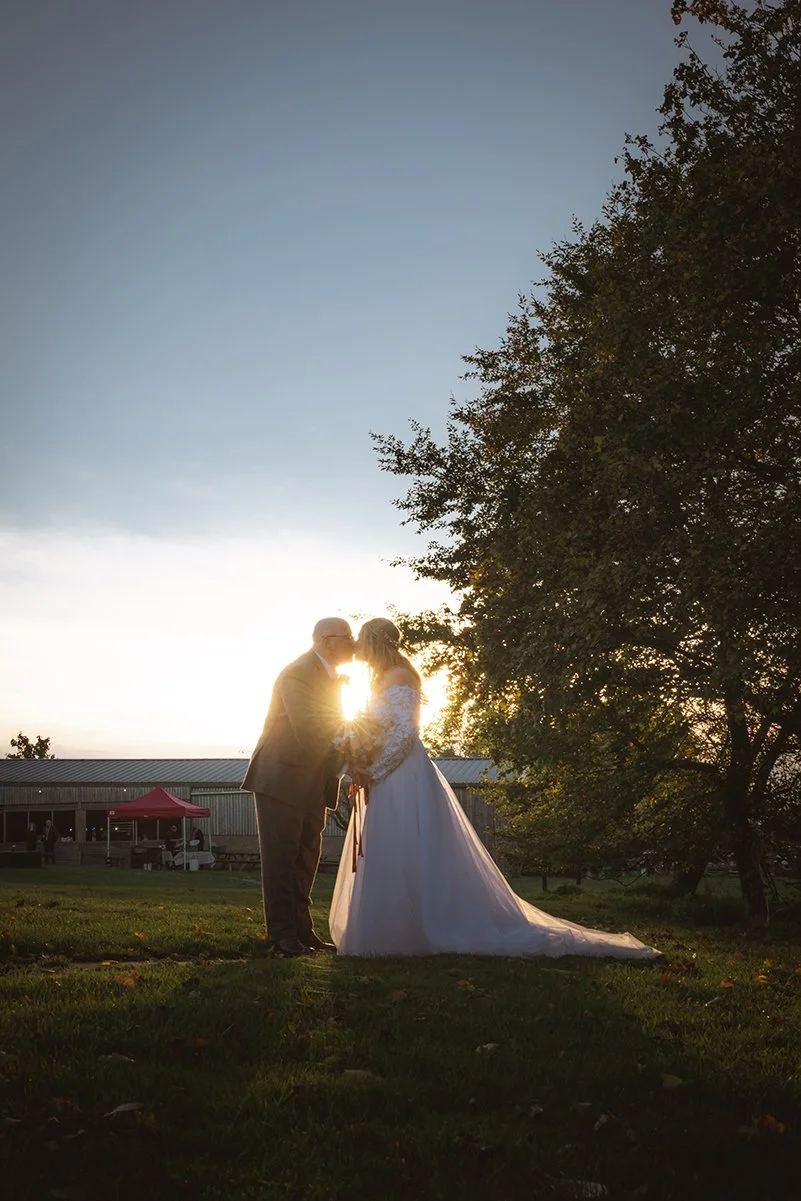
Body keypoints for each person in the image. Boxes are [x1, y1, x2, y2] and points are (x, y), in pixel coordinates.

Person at [329, 618, 659, 960]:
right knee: (386, 843)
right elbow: (376, 730)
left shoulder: (400, 676)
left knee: (405, 844)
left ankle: (411, 929)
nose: (357, 646)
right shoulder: (381, 678)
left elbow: (404, 734)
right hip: (385, 771)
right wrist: (360, 759)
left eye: (361, 639)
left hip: (402, 773)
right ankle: (390, 927)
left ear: (375, 642)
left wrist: (373, 771)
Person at [242, 616, 354, 958]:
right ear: (326, 640)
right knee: (282, 859)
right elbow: (309, 729)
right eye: (347, 637)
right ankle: (282, 936)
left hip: (312, 781)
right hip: (282, 778)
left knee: (306, 858)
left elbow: (332, 726)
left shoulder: (327, 676)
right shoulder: (299, 673)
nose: (353, 644)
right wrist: (350, 763)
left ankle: (303, 932)